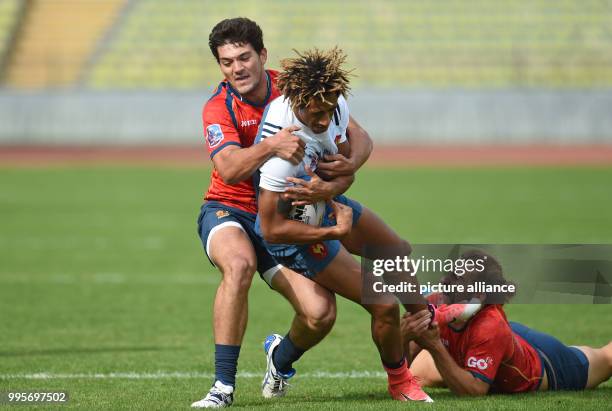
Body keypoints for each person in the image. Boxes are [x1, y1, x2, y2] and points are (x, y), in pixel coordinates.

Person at [192, 18, 373, 409]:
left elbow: (359, 135)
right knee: (238, 266)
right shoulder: (217, 107)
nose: (237, 68)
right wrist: (272, 145)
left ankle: (280, 359)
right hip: (229, 210)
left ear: (263, 55)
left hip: (284, 217)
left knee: (320, 315)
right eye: (226, 62)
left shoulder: (296, 90)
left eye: (244, 57)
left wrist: (350, 164)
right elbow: (229, 168)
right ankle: (222, 387)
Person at [254, 47, 434, 402]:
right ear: (295, 101)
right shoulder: (283, 153)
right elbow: (270, 229)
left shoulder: (331, 103)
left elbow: (362, 141)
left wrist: (344, 172)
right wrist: (331, 232)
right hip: (297, 234)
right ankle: (401, 382)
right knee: (382, 303)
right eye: (315, 113)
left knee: (395, 253)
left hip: (327, 206)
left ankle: (431, 330)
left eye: (330, 110)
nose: (324, 121)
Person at [404, 250, 612, 395]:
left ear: (479, 294)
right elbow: (403, 366)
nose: (445, 282)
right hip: (497, 340)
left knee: (606, 359)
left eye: (458, 279)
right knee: (416, 375)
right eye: (449, 274)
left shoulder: (490, 327)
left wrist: (435, 346)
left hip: (547, 363)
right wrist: (406, 335)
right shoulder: (441, 303)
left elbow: (474, 391)